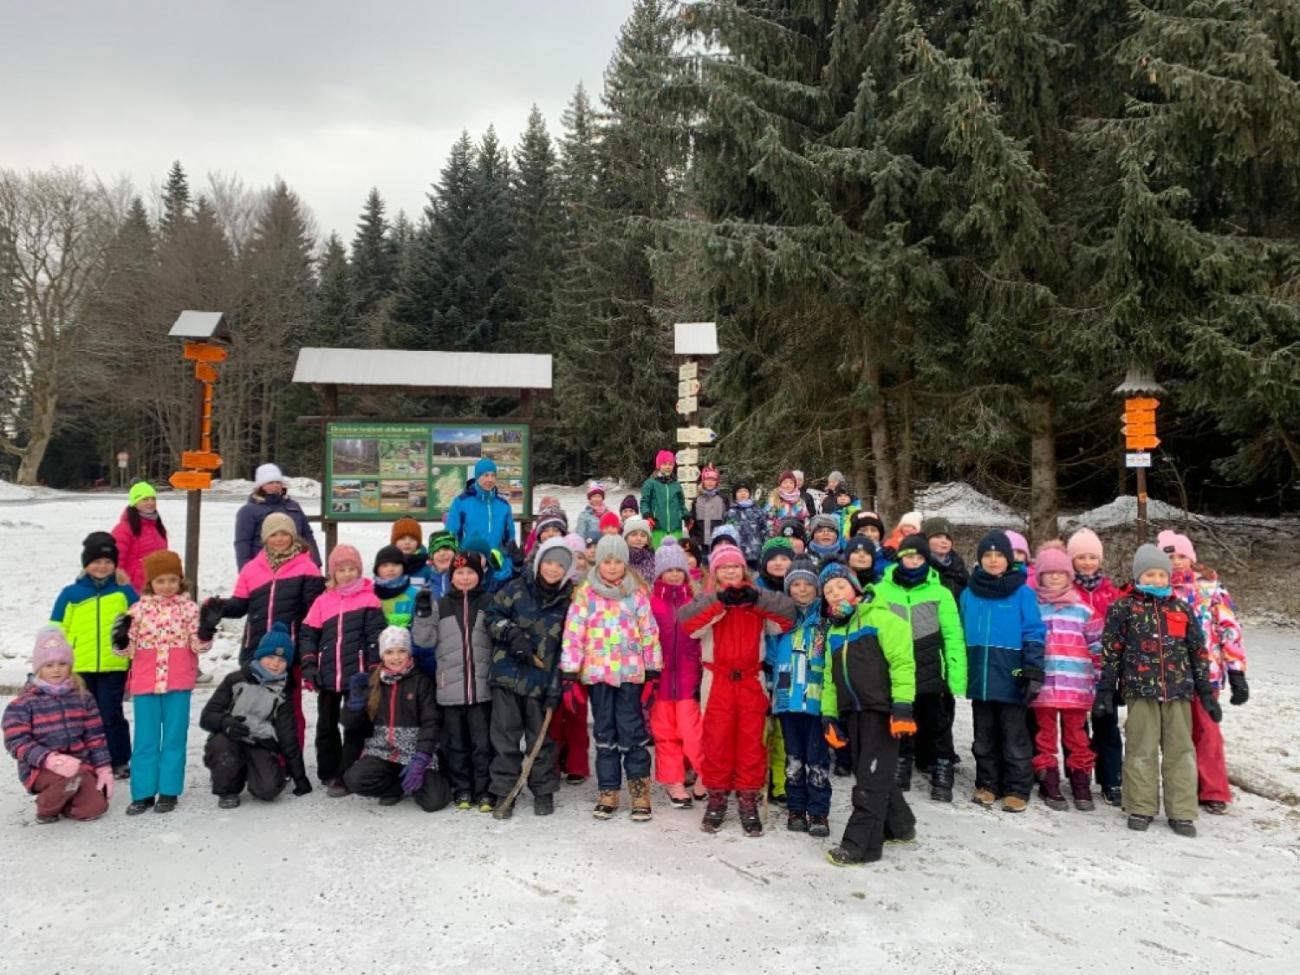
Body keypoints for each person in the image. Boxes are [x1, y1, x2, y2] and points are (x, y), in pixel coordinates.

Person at [680, 544, 797, 836]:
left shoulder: (757, 598)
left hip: (750, 680)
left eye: (735, 566)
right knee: (716, 742)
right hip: (717, 681)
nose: (730, 570)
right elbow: (687, 623)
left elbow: (787, 617)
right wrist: (720, 602)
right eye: (723, 566)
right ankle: (716, 798)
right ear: (715, 571)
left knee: (751, 742)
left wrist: (756, 599)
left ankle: (748, 799)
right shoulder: (707, 599)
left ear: (743, 569)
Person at [1096, 544, 1213, 837]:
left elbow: (1197, 651)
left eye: (1162, 574)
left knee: (1180, 752)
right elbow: (1111, 652)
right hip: (1140, 692)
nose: (1157, 580)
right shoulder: (1124, 608)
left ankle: (1182, 812)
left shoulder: (1181, 608)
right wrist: (1106, 690)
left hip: (1178, 693)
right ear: (1138, 576)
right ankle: (1140, 806)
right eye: (1150, 574)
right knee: (1140, 749)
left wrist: (1206, 691)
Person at [820, 562, 918, 866]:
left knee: (870, 780)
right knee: (874, 773)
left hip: (884, 711)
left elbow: (902, 664)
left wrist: (903, 706)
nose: (835, 594)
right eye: (828, 591)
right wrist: (829, 716)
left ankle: (861, 845)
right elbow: (829, 679)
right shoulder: (835, 632)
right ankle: (901, 825)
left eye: (840, 586)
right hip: (854, 714)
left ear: (855, 587)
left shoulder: (885, 619)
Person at [562, 533, 661, 821]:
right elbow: (573, 634)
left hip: (631, 675)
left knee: (633, 734)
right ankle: (608, 790)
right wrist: (570, 673)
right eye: (607, 561)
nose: (613, 567)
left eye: (618, 561)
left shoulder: (637, 594)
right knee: (605, 733)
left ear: (626, 563)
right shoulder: (585, 594)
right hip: (598, 675)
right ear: (598, 562)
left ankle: (639, 790)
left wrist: (652, 670)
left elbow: (649, 633)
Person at [205, 512, 324, 749]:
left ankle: (291, 758)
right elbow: (240, 605)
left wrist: (308, 650)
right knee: (253, 706)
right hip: (256, 649)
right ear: (264, 538)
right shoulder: (251, 568)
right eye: (273, 534)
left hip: (288, 652)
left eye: (284, 534)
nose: (279, 539)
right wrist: (219, 608)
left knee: (288, 709)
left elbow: (313, 614)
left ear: (293, 537)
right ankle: (259, 760)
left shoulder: (307, 567)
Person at [113, 550, 210, 815]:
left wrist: (206, 631)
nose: (166, 586)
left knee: (174, 738)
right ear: (150, 583)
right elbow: (127, 651)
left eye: (171, 580)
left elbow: (199, 647)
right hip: (146, 683)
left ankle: (168, 790)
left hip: (178, 682)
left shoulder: (189, 609)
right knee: (145, 738)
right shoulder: (138, 610)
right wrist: (121, 641)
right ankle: (142, 792)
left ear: (180, 581)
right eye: (160, 581)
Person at [484, 537, 575, 817]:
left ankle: (543, 789)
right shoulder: (515, 589)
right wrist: (511, 633)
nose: (553, 569)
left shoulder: (570, 602)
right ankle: (504, 791)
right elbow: (491, 616)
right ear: (538, 563)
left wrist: (557, 685)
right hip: (507, 675)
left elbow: (569, 646)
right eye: (548, 562)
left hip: (542, 680)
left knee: (542, 739)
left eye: (560, 565)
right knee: (505, 737)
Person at [873, 534, 967, 803]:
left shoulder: (941, 593)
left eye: (918, 557)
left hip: (932, 670)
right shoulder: (882, 591)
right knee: (902, 719)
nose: (912, 562)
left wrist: (955, 674)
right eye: (908, 557)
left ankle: (942, 767)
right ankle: (901, 762)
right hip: (896, 669)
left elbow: (953, 635)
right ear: (900, 558)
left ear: (926, 560)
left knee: (937, 723)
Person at [1160, 530, 1248, 815]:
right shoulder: (1156, 589)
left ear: (1192, 558)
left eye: (1182, 556)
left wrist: (1236, 671)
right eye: (1169, 557)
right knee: (1176, 734)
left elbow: (1229, 628)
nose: (1176, 562)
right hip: (1168, 676)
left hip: (1205, 675)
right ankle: (1184, 786)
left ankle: (1213, 790)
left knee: (1207, 731)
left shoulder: (1210, 589)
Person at [960, 531, 1046, 813]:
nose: (994, 560)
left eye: (999, 555)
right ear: (980, 559)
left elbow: (1034, 632)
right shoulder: (969, 593)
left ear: (1008, 559)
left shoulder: (1023, 593)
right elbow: (959, 632)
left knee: (1014, 737)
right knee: (983, 736)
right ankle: (987, 784)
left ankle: (1017, 787)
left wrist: (1033, 670)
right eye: (988, 555)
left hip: (1012, 676)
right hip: (981, 677)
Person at [411, 550, 496, 809]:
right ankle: (462, 789)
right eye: (460, 573)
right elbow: (423, 640)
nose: (465, 577)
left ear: (479, 576)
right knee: (456, 744)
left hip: (482, 688)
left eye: (471, 572)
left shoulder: (489, 602)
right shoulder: (442, 605)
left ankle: (484, 791)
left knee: (483, 745)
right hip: (451, 689)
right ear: (451, 576)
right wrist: (423, 614)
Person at [299, 544, 385, 796]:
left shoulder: (369, 599)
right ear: (333, 574)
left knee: (354, 723)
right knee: (326, 724)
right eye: (342, 570)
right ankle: (328, 770)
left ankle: (347, 771)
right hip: (327, 674)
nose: (347, 574)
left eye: (352, 569)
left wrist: (371, 670)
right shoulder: (323, 601)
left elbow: (374, 635)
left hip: (356, 676)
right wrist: (309, 662)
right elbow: (308, 634)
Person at [50, 531, 138, 778]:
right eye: (96, 561)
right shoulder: (71, 594)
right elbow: (57, 629)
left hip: (114, 664)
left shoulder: (125, 592)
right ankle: (86, 759)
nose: (102, 567)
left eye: (108, 562)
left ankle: (118, 760)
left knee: (111, 714)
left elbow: (140, 621)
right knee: (82, 715)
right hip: (80, 667)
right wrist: (57, 660)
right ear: (86, 563)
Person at [4, 627, 114, 824]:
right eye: (49, 665)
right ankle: (46, 807)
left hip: (80, 765)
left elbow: (95, 737)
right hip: (40, 768)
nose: (56, 669)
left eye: (62, 663)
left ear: (70, 666)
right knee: (71, 776)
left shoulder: (83, 697)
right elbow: (16, 740)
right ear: (39, 668)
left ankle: (65, 800)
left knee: (95, 808)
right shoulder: (24, 702)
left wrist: (103, 768)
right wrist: (49, 759)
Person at [199, 623, 311, 807]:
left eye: (282, 660)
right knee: (221, 746)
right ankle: (228, 789)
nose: (275, 664)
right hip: (230, 738)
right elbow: (207, 716)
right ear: (260, 656)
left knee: (269, 790)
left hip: (260, 743)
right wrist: (225, 722)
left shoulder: (283, 692)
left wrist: (300, 777)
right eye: (270, 657)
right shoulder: (236, 679)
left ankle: (252, 772)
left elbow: (288, 737)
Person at [340, 626, 451, 811]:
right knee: (354, 779)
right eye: (390, 652)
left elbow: (431, 722)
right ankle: (395, 787)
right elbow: (352, 725)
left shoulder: (421, 682)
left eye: (402, 651)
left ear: (409, 653)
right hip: (384, 752)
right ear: (382, 655)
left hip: (415, 753)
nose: (396, 657)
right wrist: (353, 706)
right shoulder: (374, 684)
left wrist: (422, 758)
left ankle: (426, 780)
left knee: (435, 801)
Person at [1030, 546, 1101, 812]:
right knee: (1044, 737)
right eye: (1049, 574)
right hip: (1045, 687)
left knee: (1078, 737)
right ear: (1040, 577)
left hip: (1076, 687)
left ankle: (1081, 782)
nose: (1055, 578)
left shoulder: (1083, 610)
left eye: (1061, 573)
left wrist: (1099, 677)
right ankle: (1049, 781)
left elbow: (1096, 646)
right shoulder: (1036, 609)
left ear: (1069, 576)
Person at [765, 558, 833, 836]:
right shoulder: (781, 621)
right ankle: (796, 807)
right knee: (793, 758)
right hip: (787, 698)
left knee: (817, 758)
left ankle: (818, 811)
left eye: (808, 584)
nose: (802, 590)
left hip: (816, 702)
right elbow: (769, 656)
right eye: (796, 584)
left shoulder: (826, 620)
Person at [1067, 527, 1124, 806]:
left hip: (1105, 672)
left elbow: (1122, 632)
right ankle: (1078, 775)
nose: (1087, 562)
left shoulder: (1111, 593)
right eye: (1081, 557)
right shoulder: (1065, 591)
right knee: (1076, 727)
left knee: (1107, 726)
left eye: (1092, 557)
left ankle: (1111, 779)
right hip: (1074, 670)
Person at [648, 539, 706, 807]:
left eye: (678, 569)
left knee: (692, 731)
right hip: (660, 682)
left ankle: (706, 774)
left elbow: (702, 639)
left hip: (687, 679)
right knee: (665, 733)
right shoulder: (650, 604)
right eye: (668, 570)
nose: (673, 574)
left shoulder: (694, 601)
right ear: (659, 573)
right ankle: (674, 782)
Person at [233, 463, 320, 569]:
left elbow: (308, 536)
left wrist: (316, 564)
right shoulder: (248, 511)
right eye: (270, 482)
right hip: (265, 568)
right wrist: (246, 571)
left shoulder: (294, 506)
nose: (275, 485)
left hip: (298, 566)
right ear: (261, 486)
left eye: (278, 482)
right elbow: (243, 543)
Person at [445, 458, 515, 554]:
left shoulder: (503, 506)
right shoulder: (460, 502)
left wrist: (508, 560)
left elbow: (510, 538)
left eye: (493, 475)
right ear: (477, 477)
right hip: (470, 563)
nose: (490, 479)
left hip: (497, 563)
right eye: (485, 475)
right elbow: (452, 534)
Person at [111, 481, 168, 593]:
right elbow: (116, 563)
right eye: (145, 499)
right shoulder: (123, 529)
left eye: (153, 499)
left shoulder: (157, 526)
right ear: (135, 502)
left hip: (158, 586)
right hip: (134, 589)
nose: (150, 503)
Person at [641, 449, 688, 543]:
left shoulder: (676, 485)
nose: (668, 467)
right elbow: (644, 502)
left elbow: (682, 505)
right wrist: (647, 514)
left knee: (675, 555)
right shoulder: (650, 483)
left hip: (676, 528)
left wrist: (686, 515)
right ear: (658, 466)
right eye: (664, 464)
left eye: (670, 464)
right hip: (658, 527)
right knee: (659, 554)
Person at [372, 545, 421, 631]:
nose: (390, 569)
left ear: (403, 567)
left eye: (395, 564)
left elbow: (421, 628)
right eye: (385, 565)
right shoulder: (370, 595)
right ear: (377, 570)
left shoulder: (415, 595)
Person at [923, 516, 969, 600]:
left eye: (948, 538)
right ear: (925, 540)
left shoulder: (959, 567)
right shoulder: (918, 567)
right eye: (938, 536)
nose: (944, 541)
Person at [688, 464, 730, 553]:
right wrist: (694, 538)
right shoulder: (697, 500)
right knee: (704, 564)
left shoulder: (723, 499)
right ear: (703, 481)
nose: (710, 482)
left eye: (713, 480)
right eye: (707, 479)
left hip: (718, 541)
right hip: (702, 542)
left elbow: (728, 520)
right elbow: (692, 522)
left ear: (716, 482)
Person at [726, 480, 768, 568]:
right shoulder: (730, 512)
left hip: (756, 552)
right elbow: (727, 533)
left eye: (745, 491)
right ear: (735, 494)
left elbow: (764, 530)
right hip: (737, 553)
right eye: (739, 491)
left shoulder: (757, 510)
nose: (743, 494)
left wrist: (765, 548)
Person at [389, 518, 435, 590]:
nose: (407, 542)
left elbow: (431, 594)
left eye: (412, 539)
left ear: (418, 543)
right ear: (394, 542)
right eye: (402, 538)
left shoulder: (426, 570)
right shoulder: (386, 566)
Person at [623, 516, 657, 581]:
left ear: (648, 540)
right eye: (634, 535)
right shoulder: (621, 558)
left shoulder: (653, 559)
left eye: (643, 535)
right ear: (626, 538)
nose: (639, 538)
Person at [426, 529, 458, 598]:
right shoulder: (426, 579)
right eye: (436, 550)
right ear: (431, 556)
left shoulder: (464, 577)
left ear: (456, 553)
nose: (442, 553)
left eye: (446, 549)